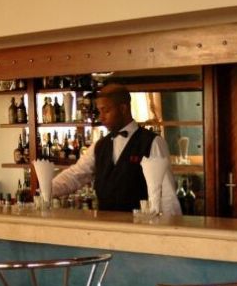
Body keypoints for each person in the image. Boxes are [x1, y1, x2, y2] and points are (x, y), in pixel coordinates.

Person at [52, 84, 181, 215]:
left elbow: (167, 195)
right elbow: (75, 175)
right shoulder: (100, 145)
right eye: (100, 111)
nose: (101, 117)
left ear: (123, 108)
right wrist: (46, 189)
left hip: (140, 223)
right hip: (106, 224)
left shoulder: (152, 142)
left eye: (106, 111)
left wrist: (171, 225)